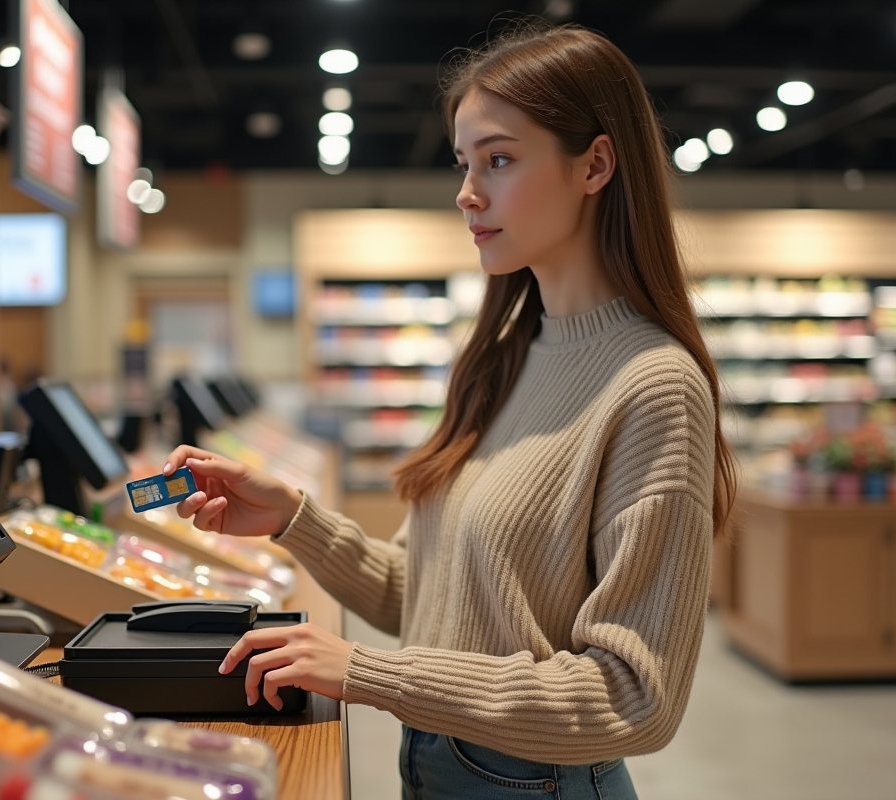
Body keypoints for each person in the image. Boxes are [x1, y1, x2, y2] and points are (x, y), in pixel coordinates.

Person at [164, 22, 736, 800]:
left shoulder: (654, 386)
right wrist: (294, 518)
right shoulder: (506, 357)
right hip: (438, 766)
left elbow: (634, 696)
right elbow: (429, 600)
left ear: (596, 163)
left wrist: (370, 673)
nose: (468, 192)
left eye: (499, 160)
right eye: (466, 163)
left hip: (537, 783)